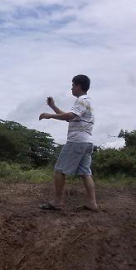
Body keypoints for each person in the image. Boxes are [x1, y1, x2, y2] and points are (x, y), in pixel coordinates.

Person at [38, 74, 98, 212]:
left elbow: (69, 116)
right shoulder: (86, 102)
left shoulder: (82, 100)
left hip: (76, 141)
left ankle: (57, 201)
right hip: (87, 142)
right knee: (85, 172)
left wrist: (49, 115)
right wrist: (53, 107)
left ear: (78, 85)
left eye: (72, 85)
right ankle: (92, 203)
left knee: (59, 170)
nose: (71, 88)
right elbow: (69, 117)